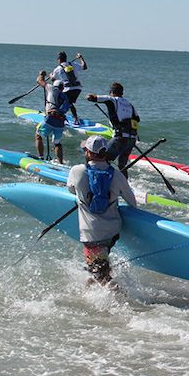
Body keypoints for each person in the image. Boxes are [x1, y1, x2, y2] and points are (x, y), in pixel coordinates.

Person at [66, 135, 137, 285]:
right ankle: (92, 295)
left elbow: (71, 190)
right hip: (112, 232)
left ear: (89, 153)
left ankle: (126, 302)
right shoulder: (116, 174)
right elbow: (132, 202)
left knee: (101, 277)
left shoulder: (77, 171)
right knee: (97, 270)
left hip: (91, 234)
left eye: (85, 149)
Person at [85, 81, 138, 173]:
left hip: (120, 137)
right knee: (122, 166)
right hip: (132, 139)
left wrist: (87, 96)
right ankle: (124, 185)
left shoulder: (111, 99)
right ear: (122, 93)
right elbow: (137, 119)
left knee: (101, 160)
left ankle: (101, 181)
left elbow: (91, 97)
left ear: (111, 92)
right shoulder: (130, 105)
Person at [34, 69, 71, 163]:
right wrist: (52, 77)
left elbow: (39, 81)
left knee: (38, 135)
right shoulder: (65, 97)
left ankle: (41, 158)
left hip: (50, 118)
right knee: (57, 143)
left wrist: (41, 74)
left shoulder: (51, 88)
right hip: (61, 122)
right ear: (62, 88)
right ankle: (60, 162)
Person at [50, 51, 87, 122]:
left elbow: (53, 80)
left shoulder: (57, 69)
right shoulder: (72, 64)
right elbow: (84, 67)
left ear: (59, 59)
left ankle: (57, 117)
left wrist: (50, 75)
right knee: (70, 103)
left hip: (68, 89)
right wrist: (81, 58)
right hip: (78, 89)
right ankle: (76, 118)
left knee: (58, 102)